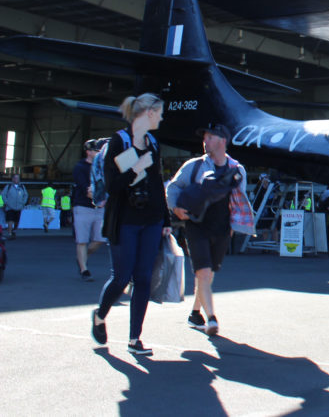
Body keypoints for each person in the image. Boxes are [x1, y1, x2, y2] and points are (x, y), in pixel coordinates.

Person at [92, 93, 171, 356]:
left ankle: (134, 338)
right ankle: (100, 316)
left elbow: (158, 183)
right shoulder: (119, 141)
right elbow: (112, 186)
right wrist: (137, 167)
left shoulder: (154, 143)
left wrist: (166, 220)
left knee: (144, 278)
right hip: (125, 220)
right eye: (159, 112)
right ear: (149, 112)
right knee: (122, 278)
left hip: (151, 219)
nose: (162, 117)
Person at [166, 123, 255, 336]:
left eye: (210, 137)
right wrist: (175, 207)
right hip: (196, 225)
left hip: (222, 227)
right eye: (204, 137)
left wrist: (234, 227)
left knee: (208, 273)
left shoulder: (237, 170)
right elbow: (173, 186)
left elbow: (237, 200)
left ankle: (195, 312)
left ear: (222, 141)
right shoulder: (194, 166)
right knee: (203, 272)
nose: (205, 141)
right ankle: (212, 318)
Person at [72, 140, 106, 281]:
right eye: (96, 150)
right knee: (82, 240)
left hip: (99, 208)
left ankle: (82, 258)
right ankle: (84, 269)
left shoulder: (102, 167)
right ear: (88, 152)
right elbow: (87, 190)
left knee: (100, 239)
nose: (99, 152)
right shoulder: (80, 167)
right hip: (83, 207)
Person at [2, 174, 28, 239]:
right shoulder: (8, 186)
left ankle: (14, 230)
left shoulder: (22, 187)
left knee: (16, 221)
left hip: (18, 207)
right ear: (12, 179)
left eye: (18, 178)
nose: (17, 180)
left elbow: (26, 195)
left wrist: (23, 202)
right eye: (15, 178)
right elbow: (3, 195)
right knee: (10, 220)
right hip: (10, 207)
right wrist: (7, 202)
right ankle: (10, 233)